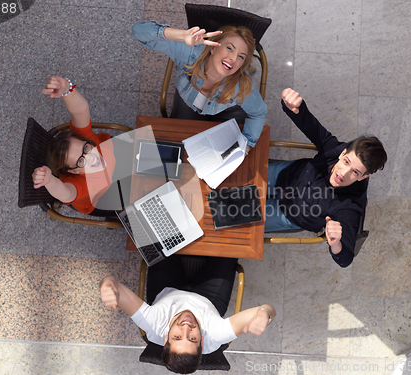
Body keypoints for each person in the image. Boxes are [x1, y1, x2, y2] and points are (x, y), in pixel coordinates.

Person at [265, 88, 388, 268]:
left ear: (363, 177)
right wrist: (293, 105)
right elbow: (310, 124)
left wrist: (336, 243)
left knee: (231, 215)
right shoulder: (334, 149)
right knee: (236, 176)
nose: (343, 174)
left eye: (355, 172)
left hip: (290, 214)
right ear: (343, 153)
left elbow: (346, 258)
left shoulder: (349, 207)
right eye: (346, 162)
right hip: (286, 175)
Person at [100, 255, 276, 374]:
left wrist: (107, 285)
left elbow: (113, 283)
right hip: (208, 298)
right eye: (192, 339)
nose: (186, 328)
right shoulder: (215, 335)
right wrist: (264, 315)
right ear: (203, 341)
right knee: (228, 246)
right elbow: (267, 309)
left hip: (167, 290)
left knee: (161, 237)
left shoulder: (153, 324)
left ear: (166, 337)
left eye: (177, 337)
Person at [132, 20, 267, 151]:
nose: (233, 59)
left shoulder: (241, 85)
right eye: (229, 48)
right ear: (213, 47)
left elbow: (258, 113)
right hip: (188, 102)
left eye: (241, 57)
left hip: (227, 110)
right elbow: (138, 31)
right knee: (180, 147)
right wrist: (181, 36)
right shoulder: (191, 53)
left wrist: (248, 144)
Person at [32, 76, 125, 216]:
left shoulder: (85, 138)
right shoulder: (79, 183)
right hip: (100, 199)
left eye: (86, 149)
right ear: (74, 172)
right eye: (80, 161)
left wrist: (67, 90)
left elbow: (81, 110)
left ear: (83, 140)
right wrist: (49, 180)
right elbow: (66, 194)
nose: (92, 158)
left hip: (115, 162)